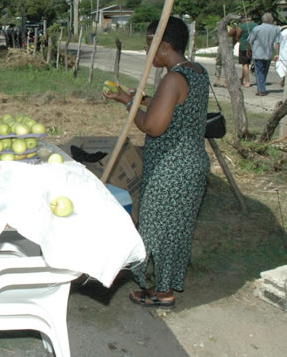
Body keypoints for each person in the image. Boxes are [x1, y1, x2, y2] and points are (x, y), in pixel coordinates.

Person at [104, 16, 210, 307]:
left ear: (164, 46)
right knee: (175, 230)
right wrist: (135, 97)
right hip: (191, 165)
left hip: (171, 169)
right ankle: (165, 286)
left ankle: (161, 293)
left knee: (155, 229)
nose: (147, 52)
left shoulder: (174, 79)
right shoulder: (196, 72)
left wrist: (127, 105)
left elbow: (153, 126)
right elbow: (175, 108)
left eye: (150, 47)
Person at [248, 13, 280, 97]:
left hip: (257, 54)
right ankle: (261, 88)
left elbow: (250, 41)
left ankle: (261, 89)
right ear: (271, 20)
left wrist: (249, 50)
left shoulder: (257, 28)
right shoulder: (276, 29)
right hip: (269, 54)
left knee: (259, 72)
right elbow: (277, 42)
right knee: (264, 72)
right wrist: (277, 54)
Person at [232, 16, 257, 88]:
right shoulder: (255, 25)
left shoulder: (241, 27)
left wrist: (233, 44)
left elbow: (237, 37)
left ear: (242, 21)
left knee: (245, 64)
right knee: (247, 64)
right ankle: (242, 79)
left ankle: (247, 81)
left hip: (244, 47)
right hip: (254, 46)